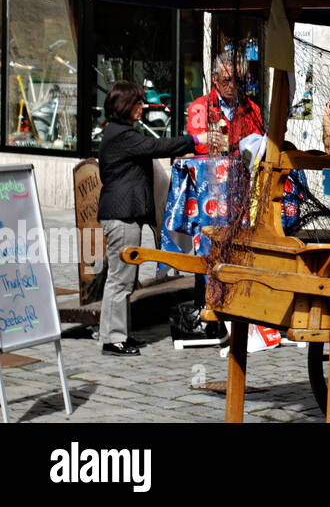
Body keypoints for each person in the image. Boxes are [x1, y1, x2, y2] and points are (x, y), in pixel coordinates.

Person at [98, 81, 198, 355]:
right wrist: (194, 140)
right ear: (124, 106)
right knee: (120, 279)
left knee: (124, 279)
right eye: (137, 103)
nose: (142, 107)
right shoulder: (122, 136)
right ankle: (112, 339)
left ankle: (118, 334)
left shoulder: (119, 132)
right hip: (121, 216)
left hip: (124, 215)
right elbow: (157, 146)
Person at [186, 51, 264, 155]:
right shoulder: (200, 107)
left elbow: (257, 148)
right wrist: (239, 146)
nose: (232, 85)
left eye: (237, 80)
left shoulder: (251, 109)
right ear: (214, 78)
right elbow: (201, 146)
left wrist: (227, 145)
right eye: (226, 80)